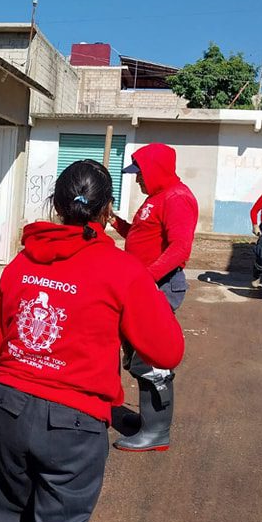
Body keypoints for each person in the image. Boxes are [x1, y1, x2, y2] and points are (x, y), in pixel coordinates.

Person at [0, 160, 184, 522]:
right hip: (73, 426)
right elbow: (168, 351)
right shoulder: (122, 269)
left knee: (11, 510)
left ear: (55, 205)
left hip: (5, 408)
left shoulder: (21, 262)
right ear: (107, 209)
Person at [109, 142, 198, 452]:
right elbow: (142, 236)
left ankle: (157, 432)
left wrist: (144, 278)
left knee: (151, 357)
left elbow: (179, 250)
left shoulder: (177, 199)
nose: (137, 180)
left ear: (155, 170)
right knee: (138, 351)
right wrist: (117, 223)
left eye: (140, 173)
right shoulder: (158, 198)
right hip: (143, 287)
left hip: (157, 288)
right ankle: (148, 422)